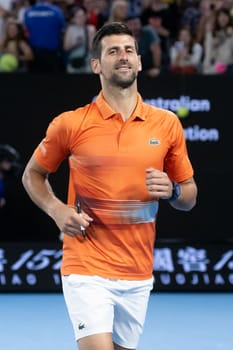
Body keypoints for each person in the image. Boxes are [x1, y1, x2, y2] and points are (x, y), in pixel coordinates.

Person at [22, 22, 198, 350]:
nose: (123, 56)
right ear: (96, 64)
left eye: (129, 50)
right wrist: (56, 208)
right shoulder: (71, 123)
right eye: (113, 51)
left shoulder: (167, 123)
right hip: (86, 263)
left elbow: (189, 196)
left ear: (140, 61)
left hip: (138, 269)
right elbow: (32, 174)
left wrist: (173, 190)